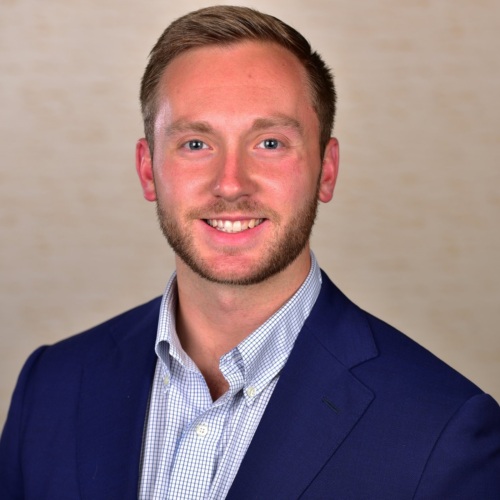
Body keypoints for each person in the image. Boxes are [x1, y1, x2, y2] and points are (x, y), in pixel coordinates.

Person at [1, 5, 499, 499]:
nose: (231, 183)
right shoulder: (51, 386)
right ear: (148, 170)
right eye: (196, 144)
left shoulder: (446, 432)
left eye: (270, 143)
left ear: (326, 170)